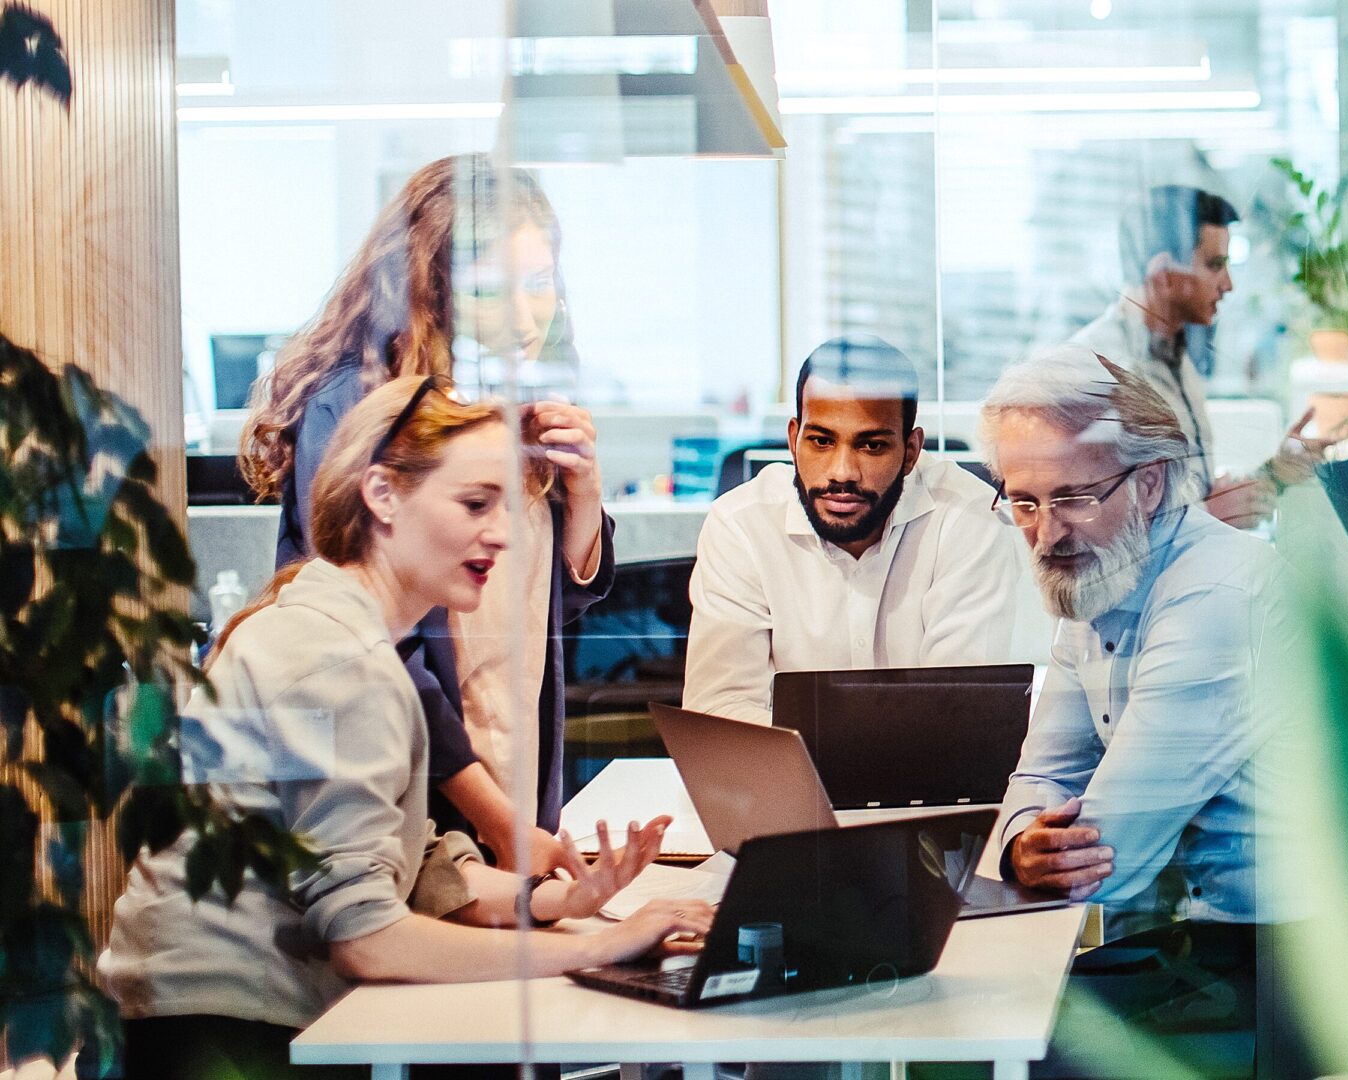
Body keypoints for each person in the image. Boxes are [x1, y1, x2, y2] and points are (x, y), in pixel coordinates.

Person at [101, 378, 713, 1080]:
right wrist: (599, 946)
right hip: (220, 1040)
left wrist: (555, 901)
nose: (504, 532)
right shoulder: (335, 659)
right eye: (475, 503)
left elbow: (399, 857)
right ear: (383, 495)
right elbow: (369, 941)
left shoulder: (322, 626)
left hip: (188, 1022)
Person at [238, 154, 614, 872]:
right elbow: (375, 643)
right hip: (419, 792)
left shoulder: (504, 398)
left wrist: (585, 494)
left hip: (512, 780)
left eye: (538, 284)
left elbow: (544, 608)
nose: (525, 316)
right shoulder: (358, 407)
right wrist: (495, 821)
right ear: (429, 288)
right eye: (490, 291)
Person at [977, 345, 1313, 1079]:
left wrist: (1031, 849)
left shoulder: (1217, 592)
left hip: (1301, 968)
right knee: (990, 1024)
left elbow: (1106, 856)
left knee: (1008, 1045)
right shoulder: (1101, 574)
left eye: (1071, 497)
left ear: (1151, 483)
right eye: (1024, 502)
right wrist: (1018, 845)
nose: (1045, 533)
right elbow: (1040, 775)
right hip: (1203, 937)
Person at [684, 336, 1021, 725]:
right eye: (821, 441)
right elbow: (720, 711)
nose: (842, 472)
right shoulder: (741, 523)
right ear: (794, 441)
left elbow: (958, 712)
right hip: (783, 784)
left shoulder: (968, 519)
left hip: (926, 787)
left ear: (910, 451)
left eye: (872, 445)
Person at [1072, 185, 1328, 530]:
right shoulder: (1097, 367)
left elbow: (1190, 498)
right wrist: (1209, 516)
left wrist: (1273, 473)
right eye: (1214, 265)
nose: (1228, 285)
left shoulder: (1176, 357)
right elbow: (1095, 525)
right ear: (1163, 275)